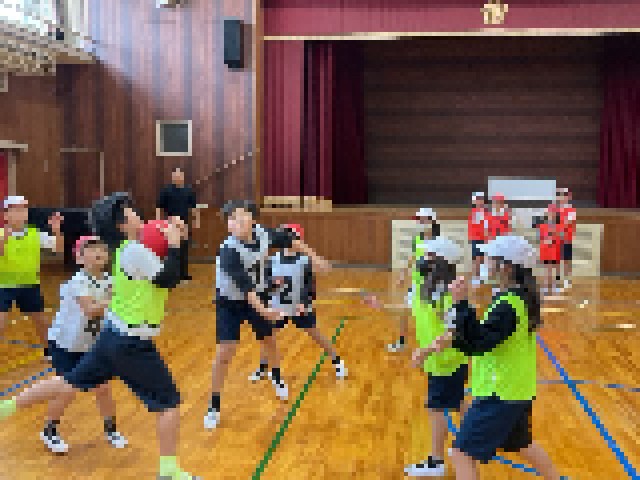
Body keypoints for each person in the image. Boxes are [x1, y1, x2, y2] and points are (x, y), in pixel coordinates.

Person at [1, 193, 200, 480]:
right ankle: (168, 471)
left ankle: (6, 406)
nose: (138, 214)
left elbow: (169, 273)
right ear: (121, 225)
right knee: (168, 404)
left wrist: (178, 242)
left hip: (111, 337)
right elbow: (169, 278)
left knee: (69, 381)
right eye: (131, 212)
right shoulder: (133, 251)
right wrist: (176, 245)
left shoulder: (126, 250)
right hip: (131, 342)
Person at [412, 235, 560, 480]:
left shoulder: (508, 305)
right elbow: (482, 338)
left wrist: (461, 305)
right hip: (516, 388)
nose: (484, 262)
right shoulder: (517, 298)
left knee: (461, 453)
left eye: (490, 258)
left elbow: (479, 342)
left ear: (506, 266)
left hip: (500, 392)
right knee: (522, 444)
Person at [205, 200, 329, 430]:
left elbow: (291, 240)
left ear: (252, 219)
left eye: (240, 216)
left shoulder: (263, 234)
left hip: (258, 293)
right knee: (225, 351)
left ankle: (277, 377)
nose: (235, 222)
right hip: (230, 301)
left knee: (269, 340)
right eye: (231, 219)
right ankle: (214, 404)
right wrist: (265, 311)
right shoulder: (228, 250)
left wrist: (315, 258)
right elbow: (245, 288)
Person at [2, 236, 127, 453]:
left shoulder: (111, 281)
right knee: (67, 389)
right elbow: (90, 310)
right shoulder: (77, 282)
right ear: (79, 258)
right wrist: (118, 301)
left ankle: (111, 430)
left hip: (92, 345)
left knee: (103, 388)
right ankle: (48, 430)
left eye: (101, 249)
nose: (98, 252)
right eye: (91, 249)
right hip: (65, 344)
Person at [248, 224, 347, 383]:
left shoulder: (305, 261)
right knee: (267, 336)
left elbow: (309, 286)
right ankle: (262, 367)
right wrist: (272, 285)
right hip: (277, 306)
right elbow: (264, 284)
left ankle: (337, 361)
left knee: (316, 334)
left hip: (298, 306)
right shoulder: (272, 259)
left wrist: (304, 302)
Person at [405, 236, 468, 477]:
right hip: (437, 359)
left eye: (429, 256)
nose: (423, 259)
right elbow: (413, 311)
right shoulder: (427, 286)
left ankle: (436, 461)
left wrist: (424, 352)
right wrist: (381, 306)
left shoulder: (448, 293)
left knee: (436, 407)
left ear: (441, 262)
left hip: (446, 360)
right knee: (457, 401)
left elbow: (452, 332)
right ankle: (479, 438)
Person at [0, 195, 63, 355]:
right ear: (6, 215)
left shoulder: (35, 233)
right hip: (3, 285)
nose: (21, 213)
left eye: (23, 209)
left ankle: (51, 353)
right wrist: (3, 240)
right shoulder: (1, 233)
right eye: (16, 210)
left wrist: (56, 230)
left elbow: (58, 249)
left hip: (30, 284)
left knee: (41, 322)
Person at [389, 207, 440, 353]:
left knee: (432, 317)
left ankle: (435, 345)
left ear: (431, 221)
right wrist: (403, 274)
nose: (420, 223)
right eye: (419, 220)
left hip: (432, 285)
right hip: (416, 283)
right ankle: (402, 342)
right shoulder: (417, 239)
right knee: (404, 311)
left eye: (423, 220)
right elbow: (413, 257)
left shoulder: (438, 242)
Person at [156, 167, 199, 281]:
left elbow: (194, 208)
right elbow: (159, 208)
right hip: (170, 224)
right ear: (172, 177)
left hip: (184, 224)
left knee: (184, 249)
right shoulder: (166, 191)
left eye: (179, 175)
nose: (177, 177)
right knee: (171, 249)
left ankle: (183, 274)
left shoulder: (189, 190)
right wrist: (158, 222)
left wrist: (196, 220)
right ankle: (172, 274)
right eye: (175, 175)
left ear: (183, 176)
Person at [537, 205, 563, 296]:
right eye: (550, 212)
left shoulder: (559, 226)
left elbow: (561, 237)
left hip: (555, 250)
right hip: (546, 250)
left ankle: (555, 286)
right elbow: (540, 238)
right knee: (547, 269)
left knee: (556, 269)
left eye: (553, 213)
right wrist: (546, 240)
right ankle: (546, 286)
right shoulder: (542, 226)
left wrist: (554, 239)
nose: (551, 214)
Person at [556, 188, 576, 289]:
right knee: (556, 260)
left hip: (566, 239)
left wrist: (559, 231)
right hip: (556, 239)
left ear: (568, 197)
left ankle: (567, 279)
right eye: (560, 195)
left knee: (567, 260)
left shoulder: (571, 210)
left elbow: (567, 223)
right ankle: (557, 279)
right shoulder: (556, 210)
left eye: (564, 195)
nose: (562, 197)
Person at [468, 193, 489, 288]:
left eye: (480, 199)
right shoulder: (475, 212)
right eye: (477, 199)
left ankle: (482, 278)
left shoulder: (486, 211)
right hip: (477, 238)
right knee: (477, 258)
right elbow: (478, 227)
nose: (479, 201)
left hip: (485, 238)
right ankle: (476, 278)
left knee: (484, 258)